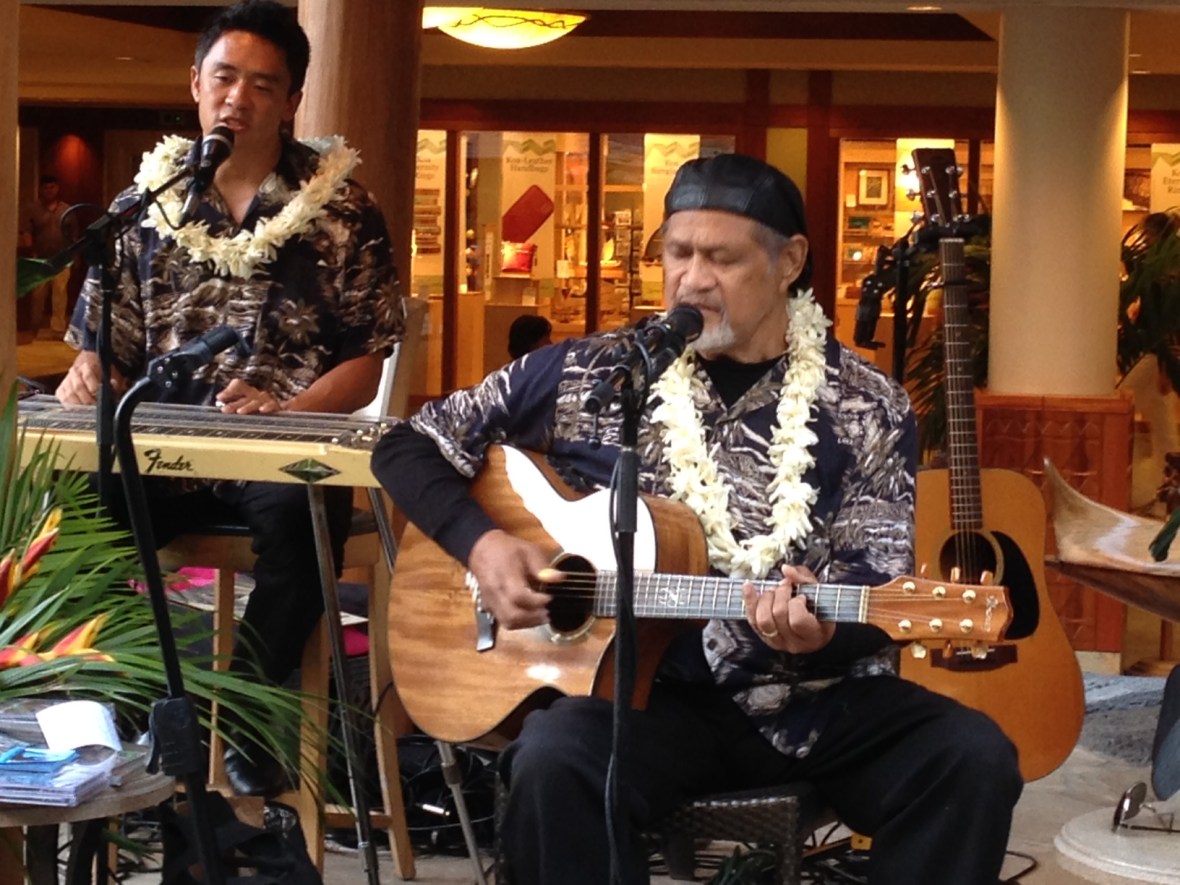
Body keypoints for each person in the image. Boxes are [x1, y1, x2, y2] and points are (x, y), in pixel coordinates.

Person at [372, 153, 1022, 884]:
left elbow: (877, 578)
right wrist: (483, 544)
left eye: (723, 257)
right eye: (678, 253)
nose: (693, 278)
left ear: (790, 262)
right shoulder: (594, 371)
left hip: (815, 704)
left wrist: (825, 631)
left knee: (971, 756)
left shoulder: (867, 402)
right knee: (554, 758)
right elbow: (406, 445)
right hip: (643, 700)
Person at [55, 0, 402, 796]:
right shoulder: (142, 206)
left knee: (299, 524)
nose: (238, 97)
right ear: (196, 83)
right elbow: (104, 353)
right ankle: (138, 705)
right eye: (224, 77)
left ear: (292, 101)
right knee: (74, 512)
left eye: (261, 83)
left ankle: (229, 711)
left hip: (281, 448)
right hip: (161, 450)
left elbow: (367, 362)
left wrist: (290, 412)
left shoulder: (343, 209)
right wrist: (89, 375)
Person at [19, 174, 77, 336]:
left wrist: (74, 255)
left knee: (60, 293)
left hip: (62, 258)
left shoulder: (66, 209)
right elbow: (25, 230)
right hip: (39, 259)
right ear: (41, 189)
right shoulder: (32, 209)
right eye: (46, 188)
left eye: (52, 187)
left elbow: (73, 234)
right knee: (38, 295)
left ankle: (58, 328)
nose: (49, 190)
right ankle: (35, 326)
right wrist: (28, 248)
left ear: (57, 188)